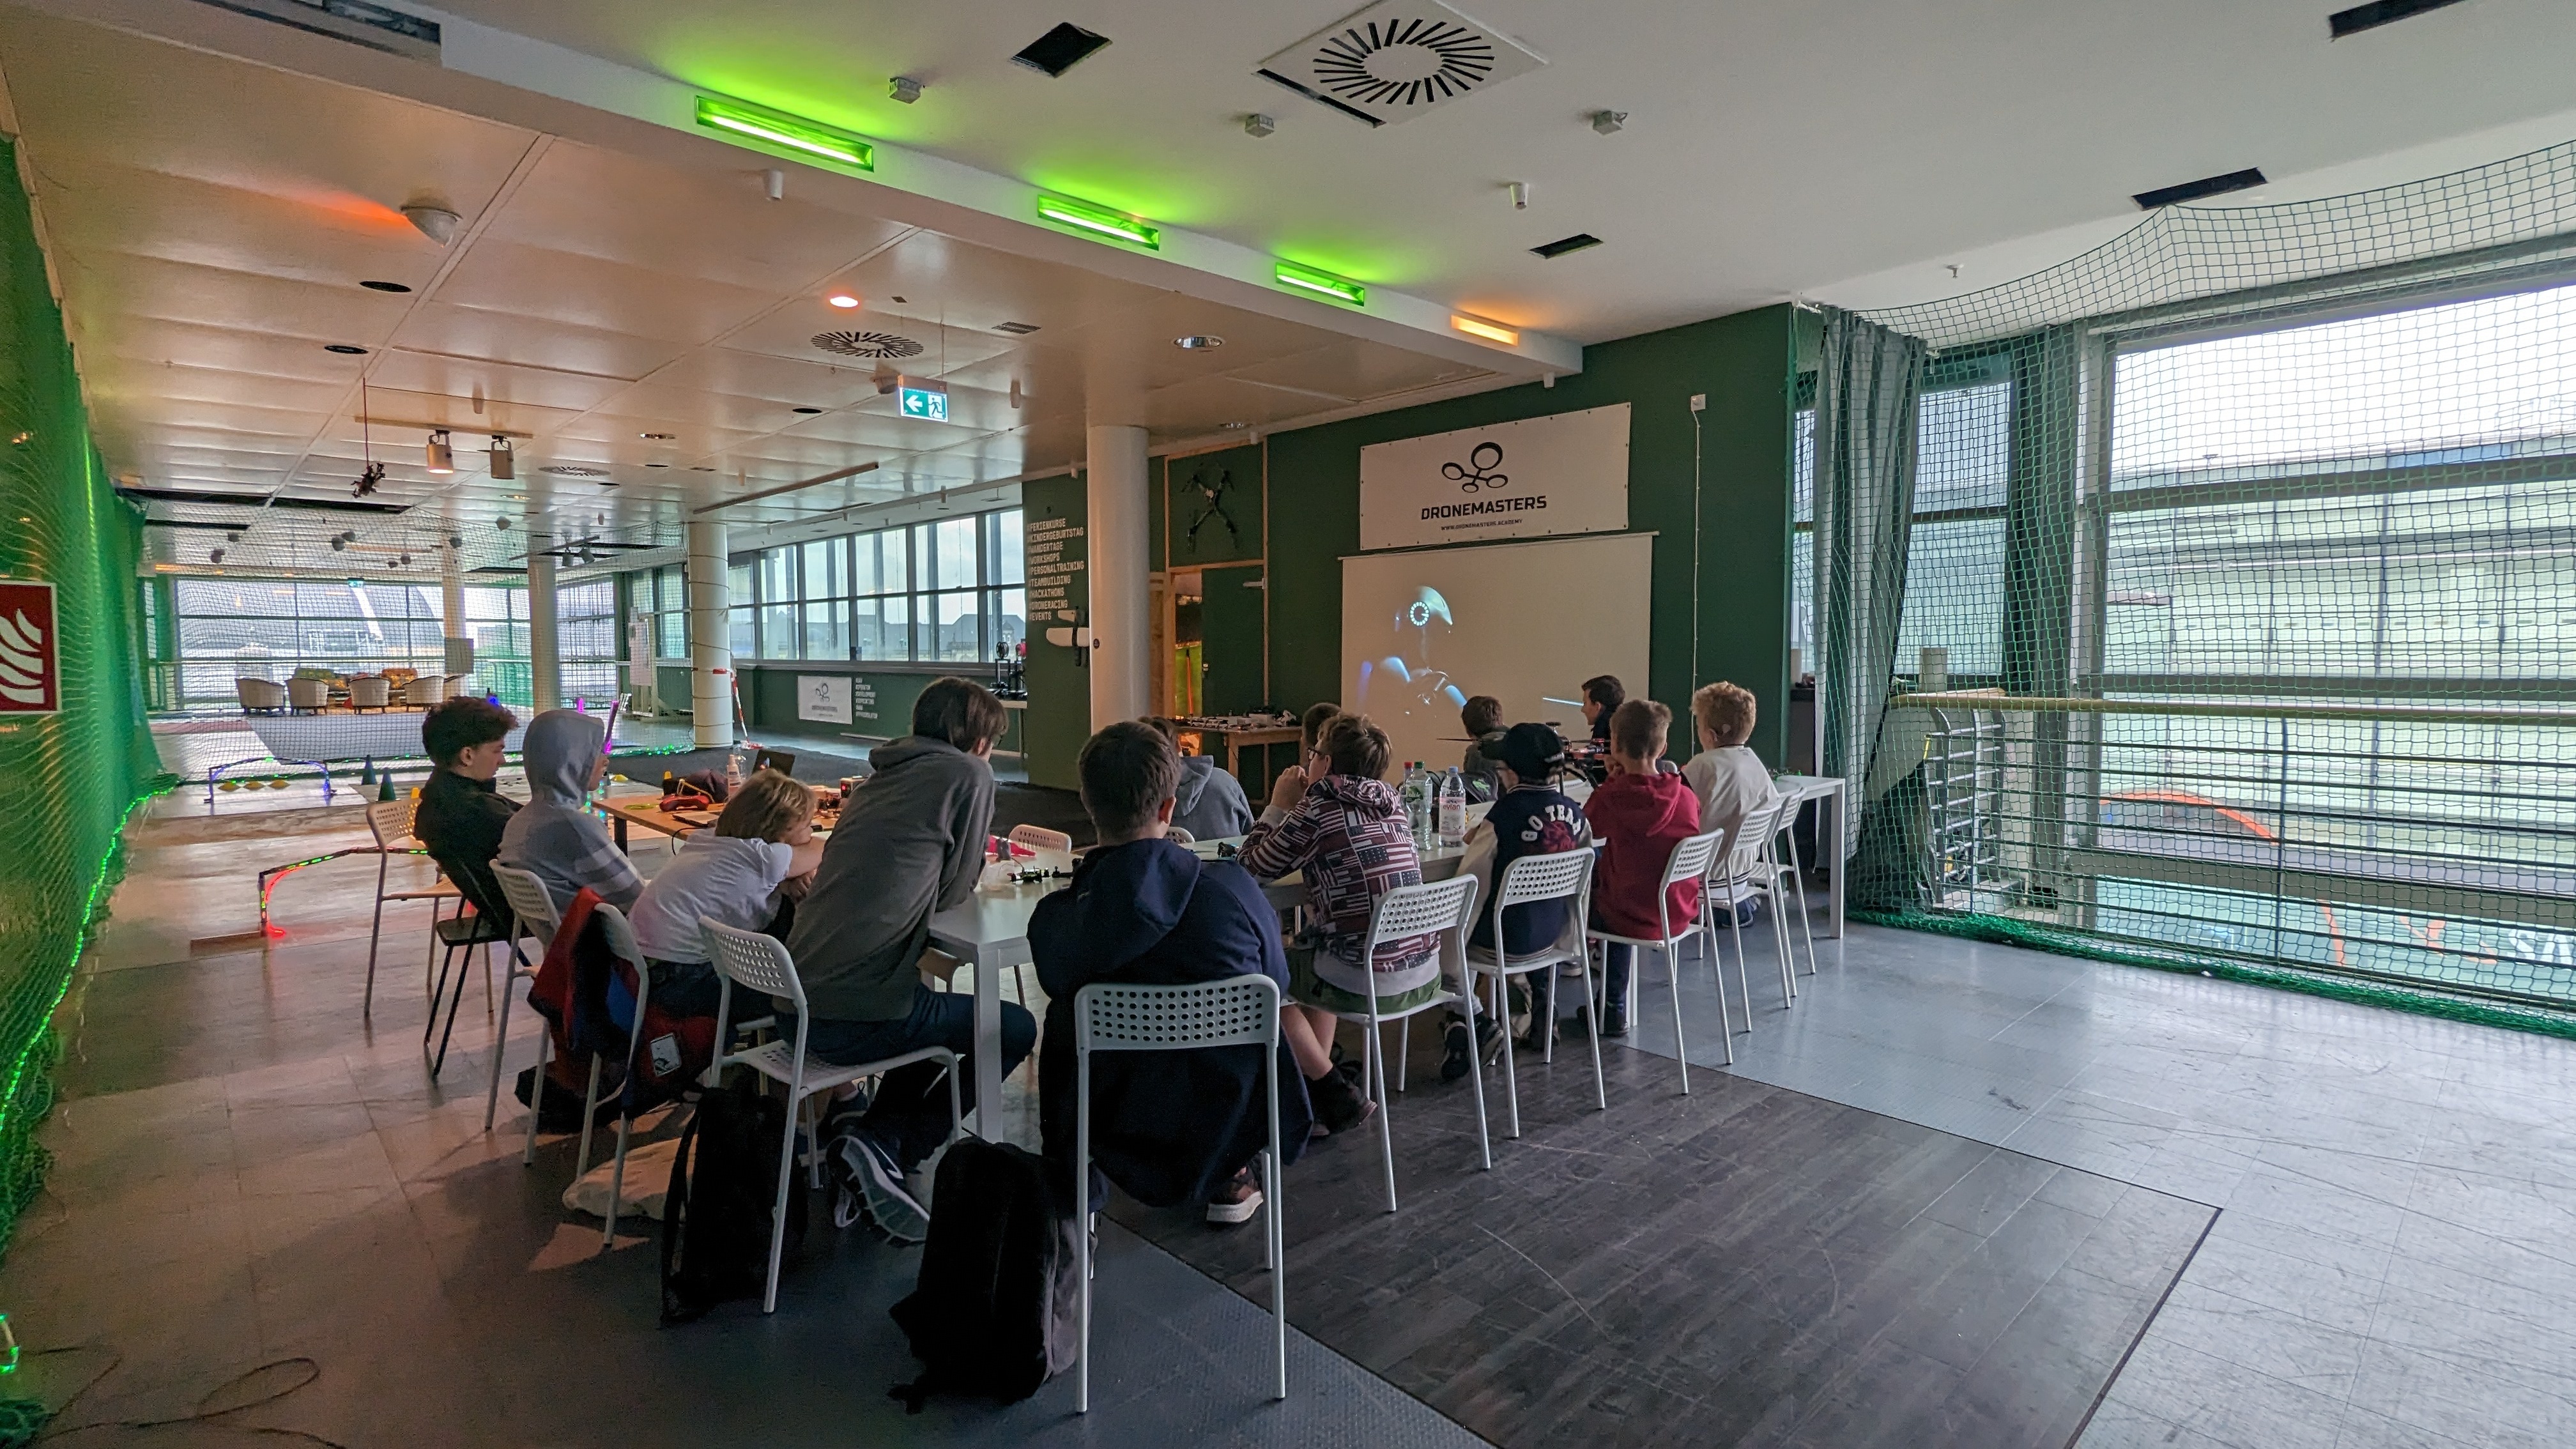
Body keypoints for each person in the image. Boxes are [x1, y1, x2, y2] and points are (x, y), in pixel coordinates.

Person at [1032, 723, 1317, 1227]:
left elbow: (1058, 986)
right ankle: (1233, 1174)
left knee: (1062, 1020)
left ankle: (1074, 1205)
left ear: (1087, 802)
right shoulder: (1234, 892)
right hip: (1232, 1116)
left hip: (1111, 1125)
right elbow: (1276, 985)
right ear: (1169, 808)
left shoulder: (1060, 921)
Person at [786, 675, 1036, 1244]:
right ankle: (892, 1148)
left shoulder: (879, 777)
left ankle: (875, 1149)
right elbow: (954, 891)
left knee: (932, 1016)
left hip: (795, 1005)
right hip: (853, 1015)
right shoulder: (968, 774)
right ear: (978, 740)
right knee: (1014, 1026)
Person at [1239, 712, 1438, 1106]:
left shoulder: (1318, 808)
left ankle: (1329, 1088)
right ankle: (1317, 1092)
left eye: (1313, 753)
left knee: (1254, 977)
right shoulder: (1394, 803)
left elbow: (1250, 869)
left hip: (1363, 977)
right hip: (1421, 972)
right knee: (1320, 947)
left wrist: (1277, 807)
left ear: (1325, 762)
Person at [627, 769, 825, 1017]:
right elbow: (828, 846)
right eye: (807, 825)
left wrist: (788, 880)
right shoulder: (765, 858)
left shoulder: (708, 838)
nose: (811, 833)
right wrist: (799, 872)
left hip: (643, 971)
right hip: (685, 982)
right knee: (814, 990)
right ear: (782, 832)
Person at [1451, 723, 1595, 1064]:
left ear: (1510, 774)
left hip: (1502, 943)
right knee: (1526, 910)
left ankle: (1468, 1020)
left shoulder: (1504, 816)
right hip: (1551, 937)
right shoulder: (1576, 815)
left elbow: (1469, 884)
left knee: (1454, 933)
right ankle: (1538, 1004)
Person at [1578, 699, 1703, 1038]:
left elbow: (1584, 830)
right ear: (1663, 746)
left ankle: (1557, 1006)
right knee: (1626, 885)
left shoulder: (1612, 797)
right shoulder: (1686, 796)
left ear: (1615, 746)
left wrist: (1610, 783)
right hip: (1677, 911)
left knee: (1582, 897)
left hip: (1628, 915)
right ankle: (1611, 1005)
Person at [496, 707, 640, 915]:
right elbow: (638, 900)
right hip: (604, 934)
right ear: (570, 761)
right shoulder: (574, 827)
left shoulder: (519, 823)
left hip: (559, 934)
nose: (605, 759)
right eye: (594, 751)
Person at [1682, 682, 1781, 928]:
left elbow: (1676, 807)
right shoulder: (1754, 763)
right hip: (1739, 876)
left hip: (1704, 876)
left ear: (1710, 735)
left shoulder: (1704, 764)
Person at [412, 696, 519, 917]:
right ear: (468, 755)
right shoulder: (478, 811)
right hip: (534, 919)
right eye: (497, 750)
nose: (503, 760)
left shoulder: (439, 801)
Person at [1144, 716, 1255, 841]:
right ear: (1178, 746)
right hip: (1225, 854)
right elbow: (1251, 836)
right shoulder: (1225, 781)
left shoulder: (1137, 794)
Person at [1459, 694, 1506, 801]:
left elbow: (1477, 796)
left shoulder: (1477, 753)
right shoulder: (1519, 743)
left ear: (1468, 730)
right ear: (1500, 720)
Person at [1580, 675, 1625, 744]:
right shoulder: (1626, 727)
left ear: (1597, 707)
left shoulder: (1602, 729)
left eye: (1585, 703)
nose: (1583, 710)